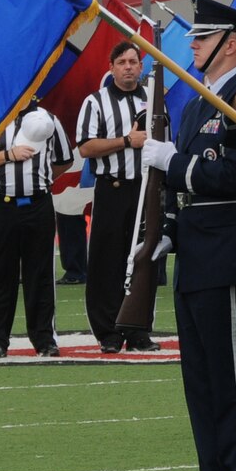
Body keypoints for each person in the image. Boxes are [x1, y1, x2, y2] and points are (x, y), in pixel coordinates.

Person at [141, 0, 236, 471]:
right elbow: (186, 185)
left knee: (229, 372)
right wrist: (167, 228)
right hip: (194, 246)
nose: (191, 45)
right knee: (199, 375)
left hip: (226, 246)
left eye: (201, 37)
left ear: (230, 44)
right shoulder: (196, 100)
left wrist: (175, 163)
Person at [76, 41, 157, 354]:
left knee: (143, 260)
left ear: (141, 67)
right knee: (106, 261)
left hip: (144, 190)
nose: (128, 67)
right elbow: (85, 147)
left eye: (133, 61)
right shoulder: (96, 102)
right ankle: (109, 331)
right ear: (111, 68)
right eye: (121, 61)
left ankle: (138, 330)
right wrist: (126, 141)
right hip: (111, 189)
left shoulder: (152, 99)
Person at [0, 97, 71, 358]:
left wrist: (40, 179)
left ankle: (44, 339)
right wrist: (8, 155)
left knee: (40, 273)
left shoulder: (49, 119)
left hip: (38, 204)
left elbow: (64, 160)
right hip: (1, 205)